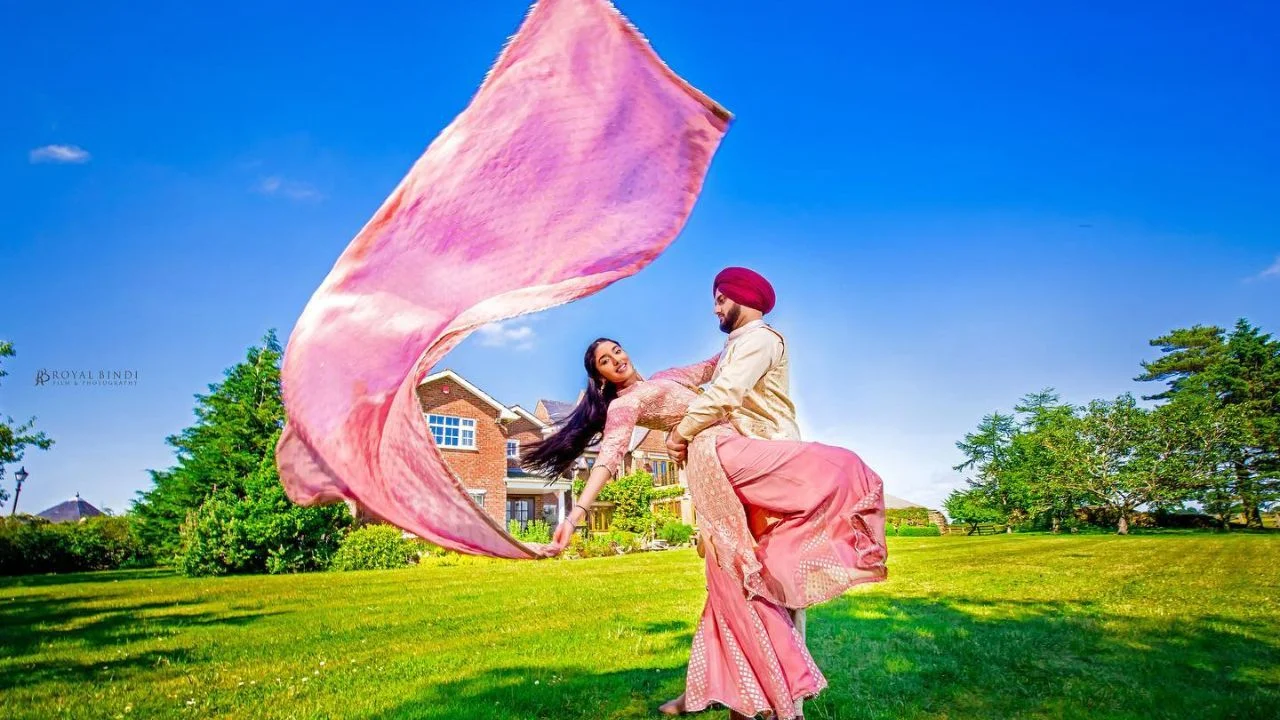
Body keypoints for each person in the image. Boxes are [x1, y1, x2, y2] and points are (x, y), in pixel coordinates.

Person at [524, 330, 887, 719]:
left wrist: (756, 331)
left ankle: (735, 694)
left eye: (617, 351)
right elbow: (609, 458)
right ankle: (766, 691)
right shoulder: (623, 407)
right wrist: (576, 514)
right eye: (605, 362)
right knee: (826, 474)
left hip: (727, 447)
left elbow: (717, 364)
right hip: (713, 456)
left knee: (730, 576)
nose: (616, 360)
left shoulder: (668, 377)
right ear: (601, 378)